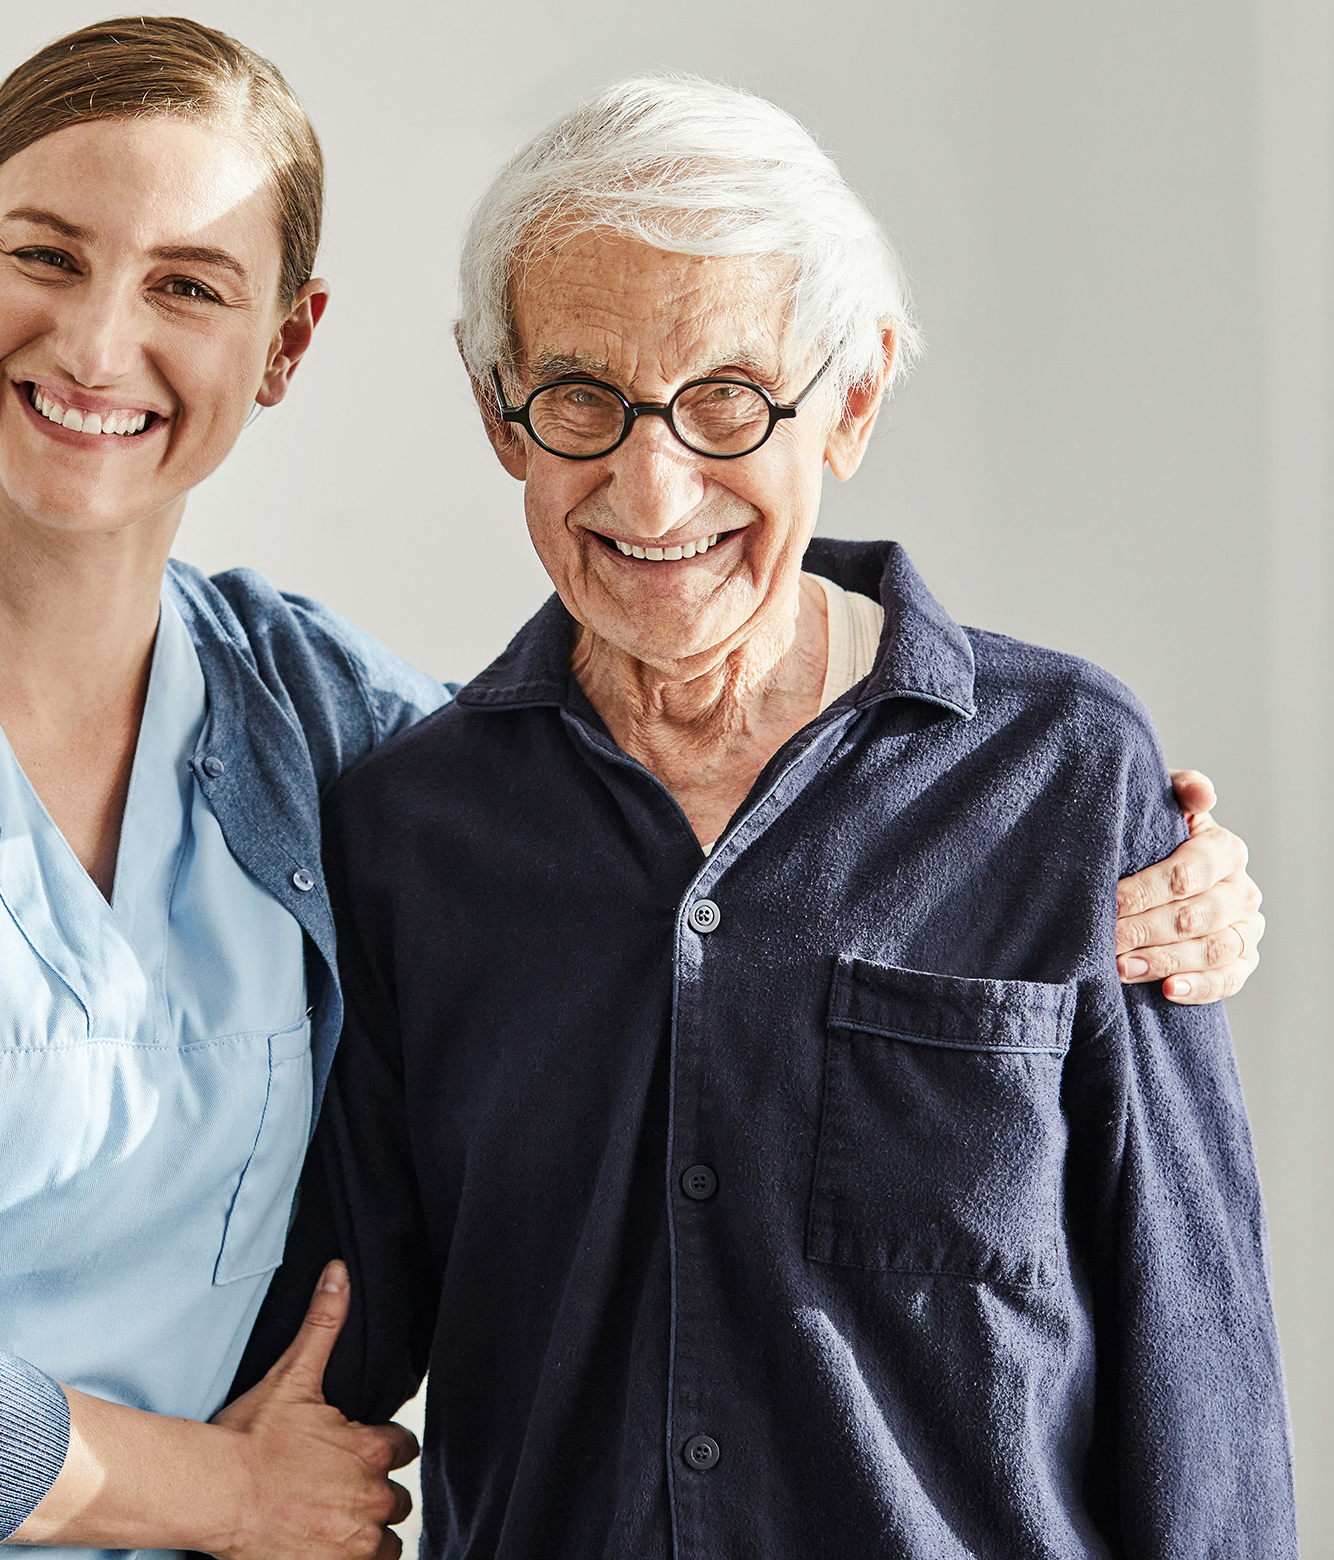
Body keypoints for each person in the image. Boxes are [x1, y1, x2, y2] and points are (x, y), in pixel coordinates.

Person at [0, 23, 1263, 1560]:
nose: (95, 345)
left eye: (188, 286)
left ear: (283, 344)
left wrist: (1178, 880)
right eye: (48, 256)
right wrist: (227, 1492)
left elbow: (615, 767)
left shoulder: (325, 719)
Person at [242, 75, 1291, 1559]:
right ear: (501, 419)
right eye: (581, 399)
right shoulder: (414, 833)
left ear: (848, 400)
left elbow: (1196, 1359)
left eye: (727, 397)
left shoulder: (1065, 773)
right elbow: (326, 1359)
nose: (652, 483)